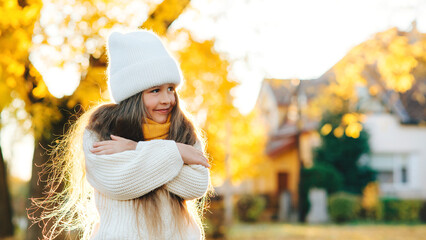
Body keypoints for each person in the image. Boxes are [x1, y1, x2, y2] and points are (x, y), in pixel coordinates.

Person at [31, 30, 211, 240]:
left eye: (171, 88)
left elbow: (196, 185)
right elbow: (118, 183)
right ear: (133, 95)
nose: (167, 99)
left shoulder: (183, 130)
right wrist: (177, 153)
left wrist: (136, 150)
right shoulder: (102, 129)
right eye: (155, 90)